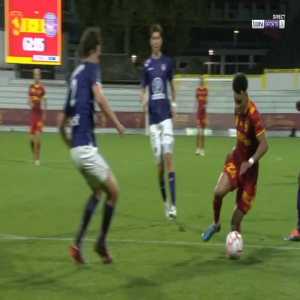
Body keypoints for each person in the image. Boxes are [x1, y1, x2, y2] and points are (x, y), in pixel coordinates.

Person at [59, 27, 125, 264]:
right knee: (114, 192)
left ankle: (77, 244)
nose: (101, 50)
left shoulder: (75, 74)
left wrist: (71, 146)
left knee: (98, 192)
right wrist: (117, 123)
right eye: (100, 46)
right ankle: (100, 243)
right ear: (96, 47)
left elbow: (60, 124)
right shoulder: (91, 68)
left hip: (77, 150)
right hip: (86, 148)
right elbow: (100, 97)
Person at [202, 73, 268, 241]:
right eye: (234, 101)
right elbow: (241, 138)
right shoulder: (237, 108)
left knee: (235, 220)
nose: (236, 106)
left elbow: (264, 145)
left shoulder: (254, 115)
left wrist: (251, 161)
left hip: (250, 172)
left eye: (238, 101)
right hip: (236, 160)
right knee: (217, 192)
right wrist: (233, 152)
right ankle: (216, 224)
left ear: (244, 93)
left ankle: (235, 245)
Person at [140, 24, 177, 219]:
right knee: (160, 166)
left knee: (169, 158)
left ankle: (174, 206)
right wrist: (143, 99)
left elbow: (172, 85)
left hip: (166, 117)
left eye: (158, 38)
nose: (155, 41)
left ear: (161, 41)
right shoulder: (146, 65)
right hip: (153, 120)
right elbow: (143, 89)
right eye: (153, 38)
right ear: (150, 41)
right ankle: (165, 202)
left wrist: (175, 104)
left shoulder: (168, 63)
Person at [28, 68, 47, 166]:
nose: (36, 76)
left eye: (38, 75)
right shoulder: (30, 87)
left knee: (38, 137)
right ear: (33, 76)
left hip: (39, 115)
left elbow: (45, 100)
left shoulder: (42, 88)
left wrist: (45, 113)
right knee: (31, 139)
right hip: (32, 115)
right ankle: (34, 154)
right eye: (35, 75)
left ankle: (37, 159)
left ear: (40, 76)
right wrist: (29, 103)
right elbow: (28, 99)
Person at [195, 76, 208, 156]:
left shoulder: (206, 90)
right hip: (199, 113)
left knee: (202, 133)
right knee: (198, 132)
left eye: (202, 80)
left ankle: (202, 149)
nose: (201, 81)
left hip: (204, 114)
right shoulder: (197, 90)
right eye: (200, 80)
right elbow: (197, 100)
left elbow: (206, 101)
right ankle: (197, 149)